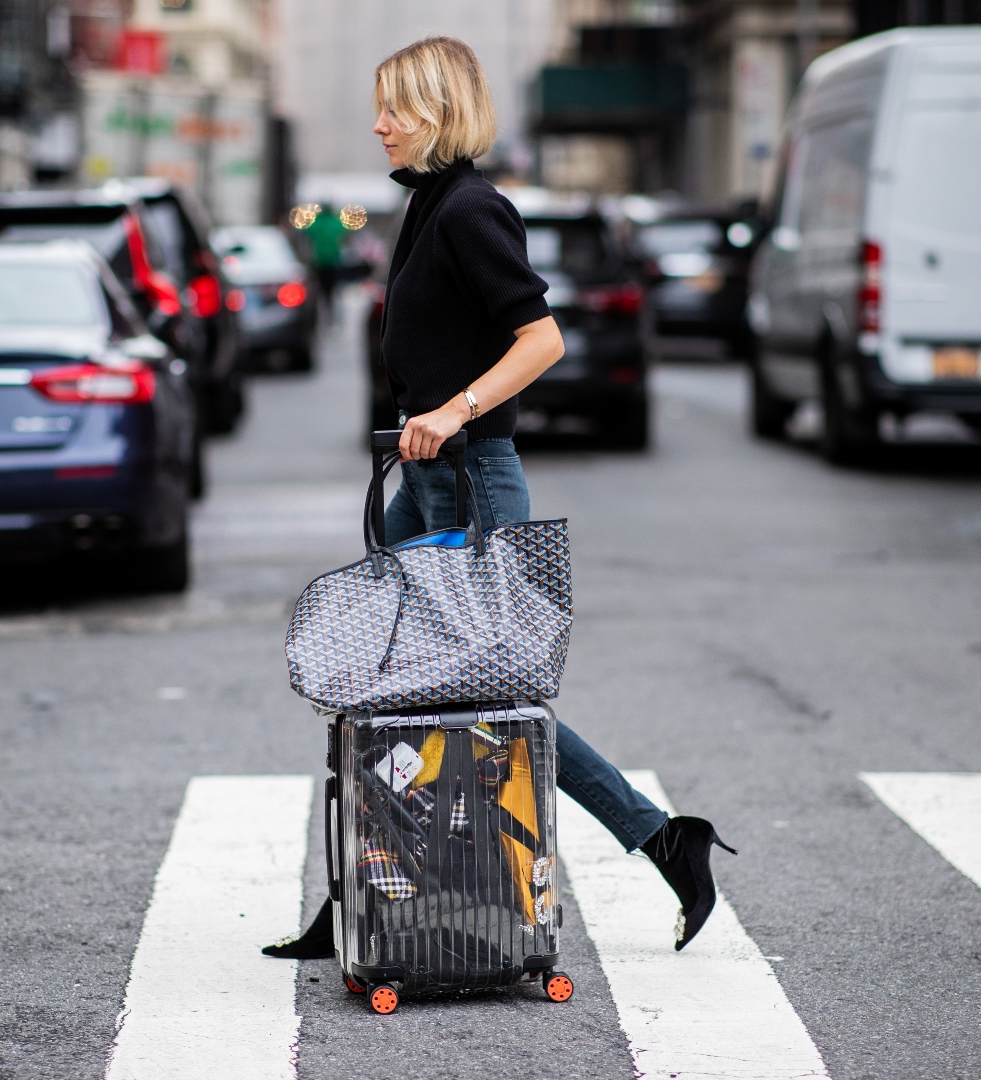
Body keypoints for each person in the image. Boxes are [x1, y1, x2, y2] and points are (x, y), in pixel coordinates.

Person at [264, 36, 734, 962]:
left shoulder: (473, 210)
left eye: (394, 106)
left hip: (471, 483)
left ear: (437, 111)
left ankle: (659, 836)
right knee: (372, 679)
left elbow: (542, 339)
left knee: (492, 697)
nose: (379, 122)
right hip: (427, 479)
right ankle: (357, 895)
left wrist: (454, 409)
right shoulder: (431, 206)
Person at [304, 202, 347, 314]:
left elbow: (307, 231)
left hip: (319, 261)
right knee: (331, 290)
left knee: (319, 290)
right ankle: (330, 311)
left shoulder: (317, 223)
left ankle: (320, 312)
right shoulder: (334, 223)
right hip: (333, 261)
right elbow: (343, 231)